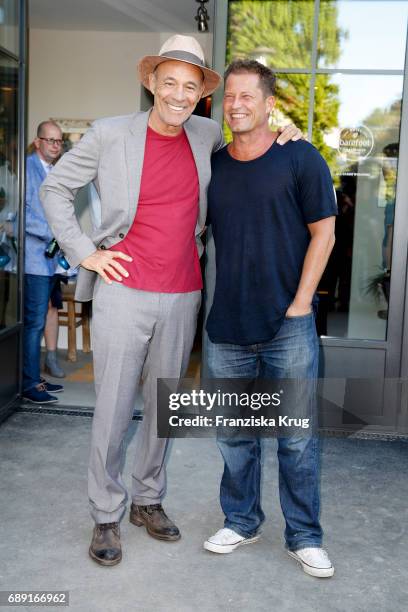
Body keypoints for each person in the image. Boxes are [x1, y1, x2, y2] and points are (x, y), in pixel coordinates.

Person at [40, 35, 301, 567]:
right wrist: (87, 252)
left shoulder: (208, 134)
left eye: (190, 86)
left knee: (165, 409)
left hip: (184, 294)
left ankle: (147, 499)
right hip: (123, 293)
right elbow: (54, 190)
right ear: (151, 84)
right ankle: (106, 514)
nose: (179, 95)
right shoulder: (111, 134)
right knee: (113, 409)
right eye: (170, 84)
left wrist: (288, 133)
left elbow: (254, 142)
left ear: (201, 94)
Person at [203, 60, 337, 579]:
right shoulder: (214, 166)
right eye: (229, 97)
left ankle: (304, 535)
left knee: (297, 436)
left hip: (289, 325)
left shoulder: (300, 158)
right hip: (226, 327)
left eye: (246, 97)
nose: (236, 105)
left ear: (268, 103)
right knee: (234, 434)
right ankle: (241, 520)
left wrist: (301, 303)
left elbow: (323, 233)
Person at [22, 121, 65, 404]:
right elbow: (22, 211)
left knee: (42, 318)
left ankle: (34, 377)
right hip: (33, 260)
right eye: (49, 140)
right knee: (34, 323)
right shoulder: (27, 168)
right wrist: (56, 233)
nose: (54, 146)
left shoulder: (57, 170)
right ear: (38, 142)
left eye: (59, 141)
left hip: (51, 261)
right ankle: (29, 383)